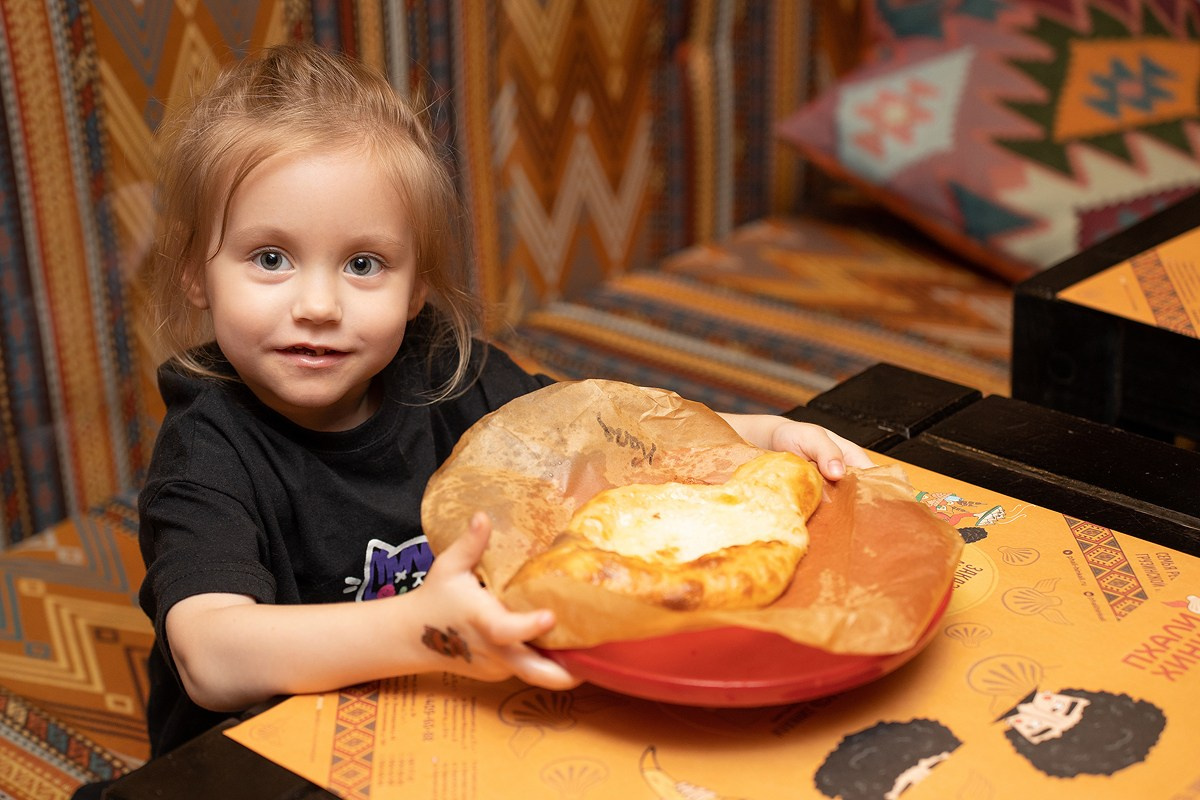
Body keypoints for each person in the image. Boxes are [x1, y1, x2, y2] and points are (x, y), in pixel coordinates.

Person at [131, 41, 873, 763]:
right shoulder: (207, 448)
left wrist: (759, 437)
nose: (319, 305)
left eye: (363, 263)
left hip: (434, 717)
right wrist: (420, 630)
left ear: (416, 285)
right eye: (270, 258)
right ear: (196, 271)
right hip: (254, 765)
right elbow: (210, 657)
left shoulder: (442, 368)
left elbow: (598, 437)